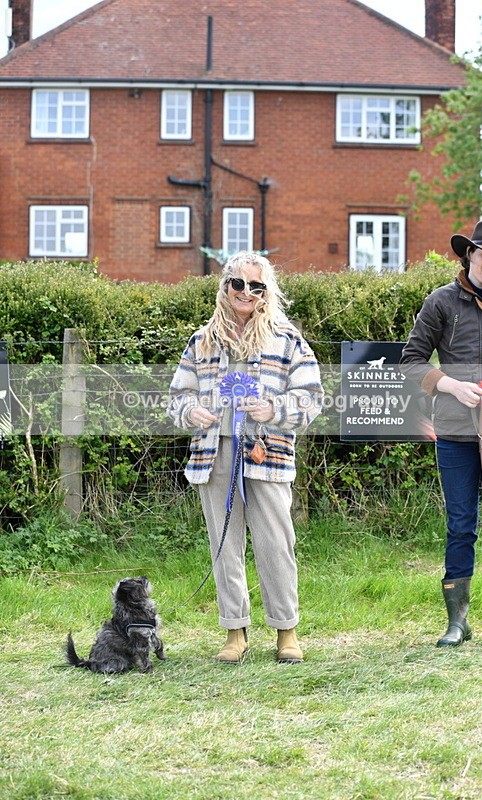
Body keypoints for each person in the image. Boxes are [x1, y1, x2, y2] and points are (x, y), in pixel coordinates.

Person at [168, 251, 323, 663]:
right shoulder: (200, 341)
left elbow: (311, 397)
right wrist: (190, 412)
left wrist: (274, 410)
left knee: (276, 544)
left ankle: (286, 631)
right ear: (225, 287)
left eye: (257, 286)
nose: (247, 292)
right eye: (239, 283)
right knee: (225, 546)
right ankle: (234, 632)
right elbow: (176, 398)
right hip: (213, 455)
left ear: (266, 292)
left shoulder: (287, 339)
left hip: (267, 453)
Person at [400, 220, 482, 647]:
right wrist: (450, 385)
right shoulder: (440, 301)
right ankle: (457, 623)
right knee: (460, 526)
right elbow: (411, 360)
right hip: (455, 432)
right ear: (469, 255)